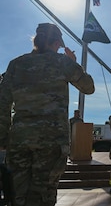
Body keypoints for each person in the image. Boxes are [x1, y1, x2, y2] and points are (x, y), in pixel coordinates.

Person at [0, 23, 95, 206]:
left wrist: (2, 138)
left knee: (17, 196)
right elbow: (88, 87)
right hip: (51, 142)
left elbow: (3, 102)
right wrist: (73, 63)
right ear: (57, 43)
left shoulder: (16, 64)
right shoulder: (62, 62)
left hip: (19, 141)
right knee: (43, 196)